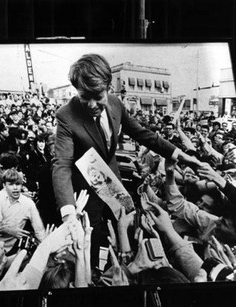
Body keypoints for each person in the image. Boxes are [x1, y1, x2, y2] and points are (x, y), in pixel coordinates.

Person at [51, 54, 201, 268]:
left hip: (113, 184)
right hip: (84, 193)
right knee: (92, 244)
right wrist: (68, 215)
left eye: (97, 96)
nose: (92, 104)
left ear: (109, 87)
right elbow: (61, 165)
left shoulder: (115, 103)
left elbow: (144, 134)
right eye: (85, 97)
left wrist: (181, 155)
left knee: (127, 232)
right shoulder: (65, 115)